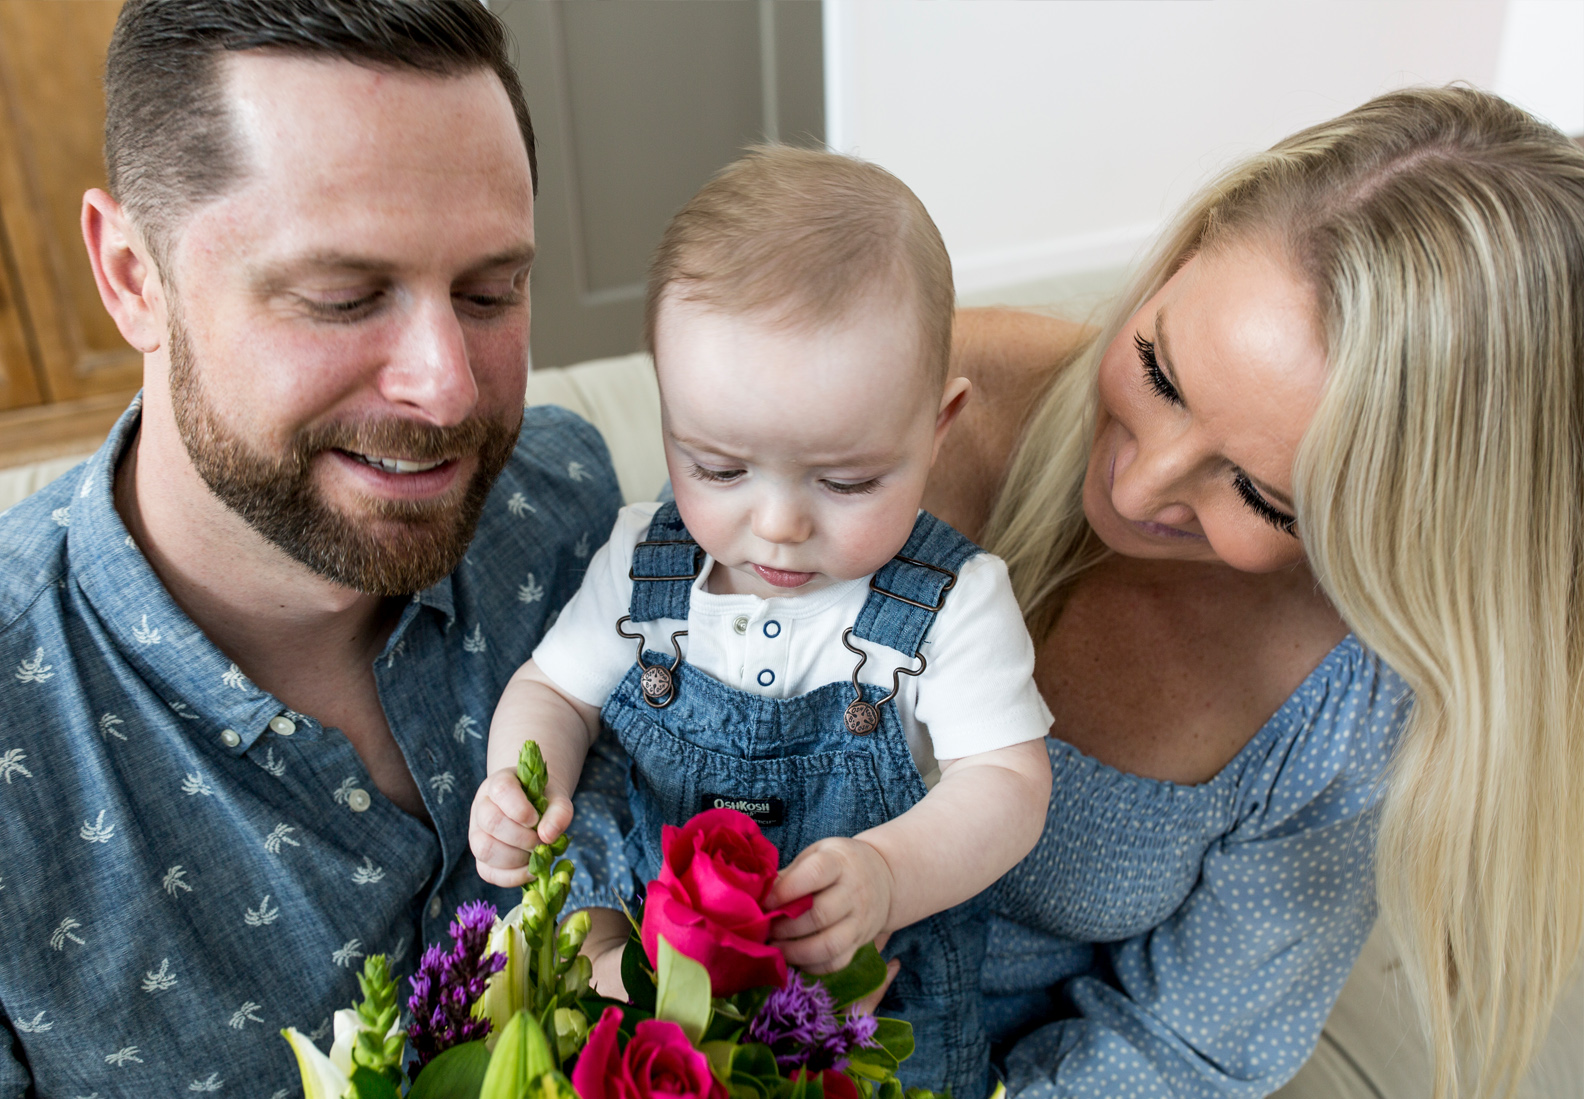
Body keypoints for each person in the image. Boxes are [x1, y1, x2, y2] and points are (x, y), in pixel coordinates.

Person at [0, 2, 629, 1093]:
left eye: (490, 291)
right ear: (133, 278)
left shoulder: (569, 502)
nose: (448, 387)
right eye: (342, 298)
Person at [921, 86, 1584, 1097]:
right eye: (1159, 367)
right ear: (1182, 255)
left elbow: (1183, 1044)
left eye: (1262, 495)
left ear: (1385, 527)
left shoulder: (1344, 708)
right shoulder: (921, 402)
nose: (1138, 487)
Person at [469, 146, 1054, 1096]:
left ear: (938, 427)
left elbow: (1010, 783)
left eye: (848, 480)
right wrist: (519, 784)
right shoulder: (642, 560)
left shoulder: (953, 601)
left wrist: (889, 872)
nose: (778, 525)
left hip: (867, 1024)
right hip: (652, 1014)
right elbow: (553, 693)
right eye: (718, 468)